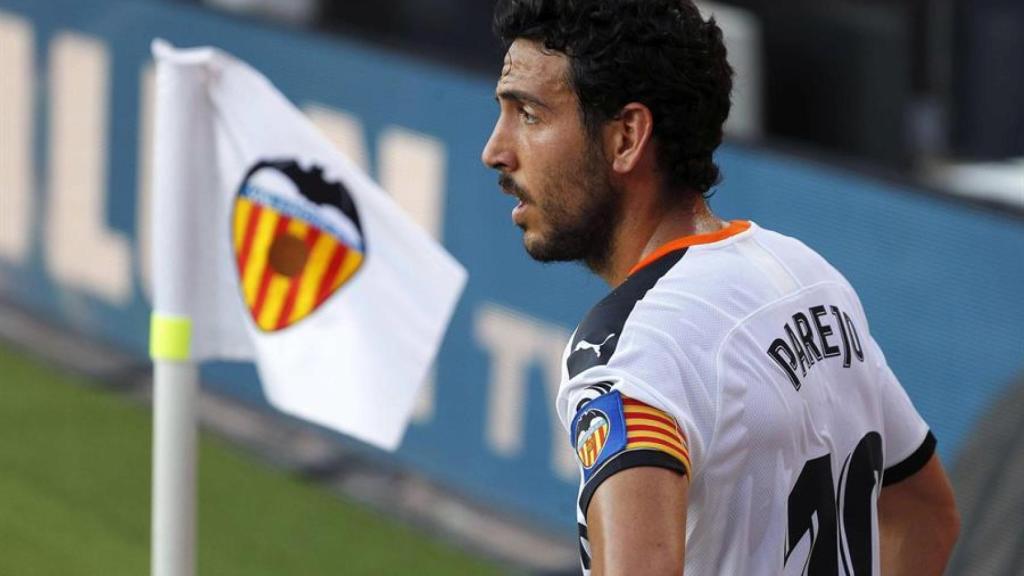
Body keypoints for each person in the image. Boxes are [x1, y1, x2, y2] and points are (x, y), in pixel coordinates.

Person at [480, 0, 960, 574]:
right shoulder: (809, 277)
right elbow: (926, 515)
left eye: (529, 115)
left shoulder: (628, 352)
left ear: (627, 137)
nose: (495, 150)